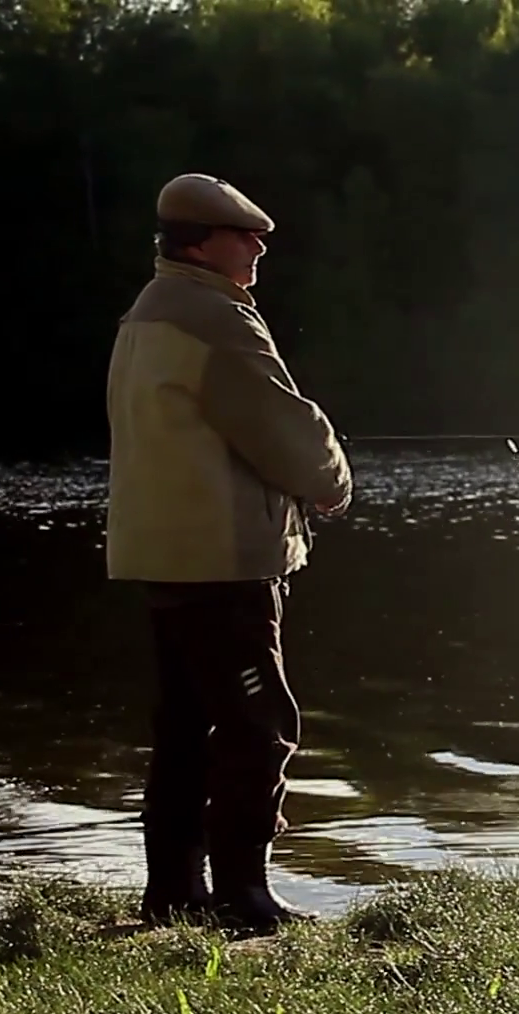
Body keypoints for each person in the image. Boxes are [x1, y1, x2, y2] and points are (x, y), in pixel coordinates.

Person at [104, 173, 353, 932]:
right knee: (257, 725)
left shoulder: (149, 309)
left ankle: (173, 892)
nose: (257, 248)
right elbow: (280, 424)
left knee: (184, 726)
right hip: (223, 561)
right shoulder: (214, 317)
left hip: (163, 556)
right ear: (199, 244)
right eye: (244, 235)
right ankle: (245, 897)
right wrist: (332, 482)